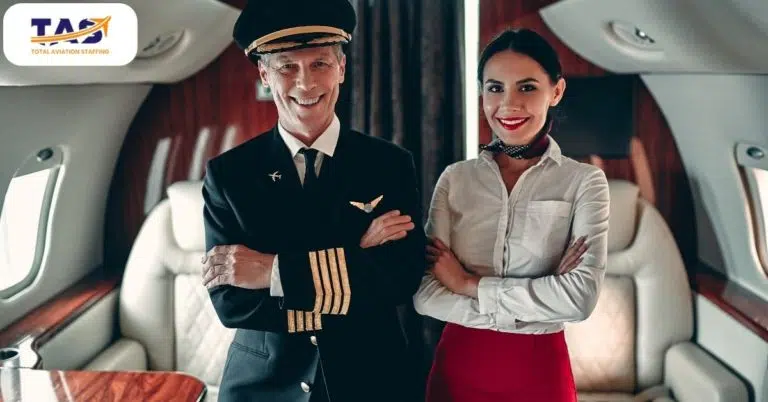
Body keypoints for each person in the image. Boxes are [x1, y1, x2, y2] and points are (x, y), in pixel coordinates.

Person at [200, 0, 427, 401]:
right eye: (287, 66)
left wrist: (271, 270)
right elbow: (232, 303)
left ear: (341, 68)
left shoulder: (389, 164)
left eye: (319, 63)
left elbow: (399, 277)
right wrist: (356, 254)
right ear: (264, 74)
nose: (305, 84)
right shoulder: (229, 175)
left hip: (371, 378)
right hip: (264, 387)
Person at [413, 28, 610, 402]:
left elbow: (579, 299)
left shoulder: (585, 183)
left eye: (527, 87)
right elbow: (426, 296)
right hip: (458, 370)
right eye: (495, 88)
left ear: (556, 91)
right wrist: (543, 296)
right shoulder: (455, 179)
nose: (509, 104)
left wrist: (468, 284)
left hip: (541, 374)